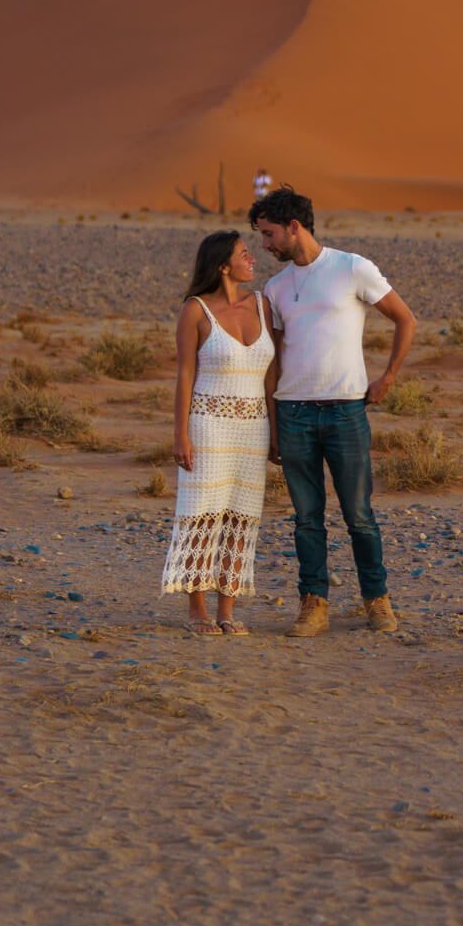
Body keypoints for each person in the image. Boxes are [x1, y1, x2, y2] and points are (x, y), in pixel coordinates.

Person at [249, 183, 415, 637]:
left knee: (359, 514)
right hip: (294, 413)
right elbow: (275, 359)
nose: (264, 245)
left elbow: (405, 319)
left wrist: (388, 378)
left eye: (268, 234)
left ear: (294, 227)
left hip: (345, 411)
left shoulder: (352, 268)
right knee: (306, 518)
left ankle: (376, 601)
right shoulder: (276, 287)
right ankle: (313, 604)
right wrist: (273, 424)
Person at [161, 229, 277, 634]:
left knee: (241, 516)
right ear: (223, 266)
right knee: (202, 516)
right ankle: (198, 611)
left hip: (253, 427)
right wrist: (180, 434)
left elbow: (271, 376)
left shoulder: (262, 305)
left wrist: (276, 433)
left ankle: (226, 610)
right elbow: (184, 375)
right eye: (245, 255)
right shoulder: (195, 310)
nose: (253, 259)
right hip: (208, 425)